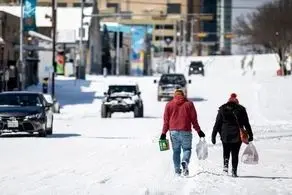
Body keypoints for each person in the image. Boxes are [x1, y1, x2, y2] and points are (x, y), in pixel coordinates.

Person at [160, 89, 205, 176]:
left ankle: (177, 170)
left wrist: (163, 133)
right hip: (186, 131)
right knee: (187, 149)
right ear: (183, 95)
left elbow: (166, 121)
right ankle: (185, 161)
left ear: (175, 95)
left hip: (173, 132)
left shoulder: (169, 105)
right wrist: (199, 131)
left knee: (176, 151)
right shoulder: (189, 104)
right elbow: (194, 120)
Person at [211, 93, 254, 177]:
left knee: (226, 151)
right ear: (236, 102)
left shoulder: (222, 109)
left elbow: (217, 124)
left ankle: (225, 167)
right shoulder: (241, 109)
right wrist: (250, 135)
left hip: (225, 134)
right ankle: (234, 171)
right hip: (237, 135)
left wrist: (213, 135)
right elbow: (246, 123)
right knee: (235, 153)